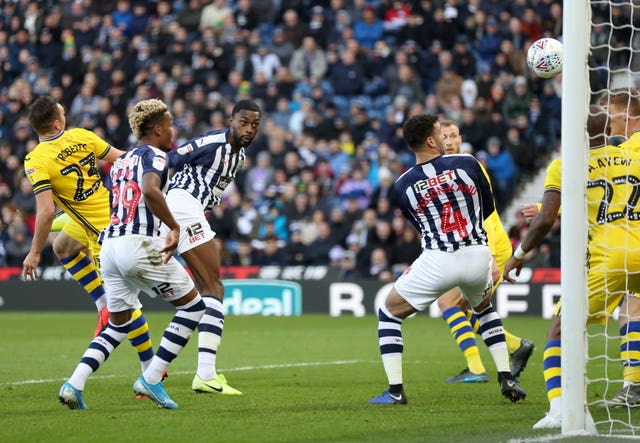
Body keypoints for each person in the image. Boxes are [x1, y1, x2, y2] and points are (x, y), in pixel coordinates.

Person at [368, 114, 526, 405]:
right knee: (484, 308)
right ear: (430, 140)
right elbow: (486, 210)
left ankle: (395, 392)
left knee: (389, 313)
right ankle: (506, 376)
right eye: (441, 134)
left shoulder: (402, 185)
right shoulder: (468, 164)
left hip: (439, 258)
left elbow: (421, 224)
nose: (446, 139)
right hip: (478, 254)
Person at [59, 98, 206, 410]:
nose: (173, 131)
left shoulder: (122, 161)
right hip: (139, 245)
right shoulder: (156, 155)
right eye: (169, 125)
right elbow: (151, 190)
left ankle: (74, 384)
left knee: (118, 324)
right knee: (194, 307)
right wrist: (174, 227)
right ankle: (151, 378)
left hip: (109, 246)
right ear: (156, 129)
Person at [503, 102, 640, 429]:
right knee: (633, 310)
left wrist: (518, 254)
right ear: (610, 130)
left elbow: (547, 219)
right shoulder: (636, 151)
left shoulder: (567, 165)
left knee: (560, 330)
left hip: (609, 259)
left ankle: (560, 409)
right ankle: (634, 384)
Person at [22, 96, 154, 372]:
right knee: (62, 247)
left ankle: (151, 369)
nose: (65, 109)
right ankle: (103, 304)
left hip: (101, 231)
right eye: (62, 108)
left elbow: (45, 212)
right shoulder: (82, 136)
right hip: (104, 209)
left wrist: (34, 253)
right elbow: (123, 159)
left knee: (127, 307)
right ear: (57, 122)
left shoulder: (36, 160)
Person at [166, 99, 261, 395]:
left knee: (198, 297)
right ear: (231, 121)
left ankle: (154, 372)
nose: (249, 129)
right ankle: (204, 374)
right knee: (213, 288)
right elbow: (168, 162)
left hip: (189, 211)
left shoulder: (239, 156)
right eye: (243, 122)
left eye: (254, 125)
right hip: (182, 206)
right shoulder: (211, 141)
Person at [437, 120, 534, 384]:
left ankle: (477, 368)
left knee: (450, 303)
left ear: (460, 138)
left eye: (453, 135)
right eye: (443, 136)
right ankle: (515, 346)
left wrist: (489, 255)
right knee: (460, 307)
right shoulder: (442, 171)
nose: (448, 141)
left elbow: (482, 214)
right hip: (471, 247)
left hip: (490, 246)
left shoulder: (468, 165)